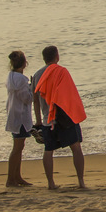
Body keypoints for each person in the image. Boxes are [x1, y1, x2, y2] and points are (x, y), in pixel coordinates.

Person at [31, 45, 87, 191]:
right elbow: (69, 94)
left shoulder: (37, 75)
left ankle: (51, 183)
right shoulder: (62, 71)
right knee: (76, 148)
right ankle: (81, 182)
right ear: (57, 57)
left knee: (48, 150)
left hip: (47, 119)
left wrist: (38, 121)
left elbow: (35, 99)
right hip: (64, 118)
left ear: (44, 58)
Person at [3, 50, 34, 187]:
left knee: (19, 147)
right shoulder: (21, 79)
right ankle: (11, 178)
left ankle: (17, 176)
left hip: (13, 114)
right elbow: (27, 99)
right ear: (24, 64)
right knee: (17, 147)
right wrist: (32, 88)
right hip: (20, 116)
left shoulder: (11, 76)